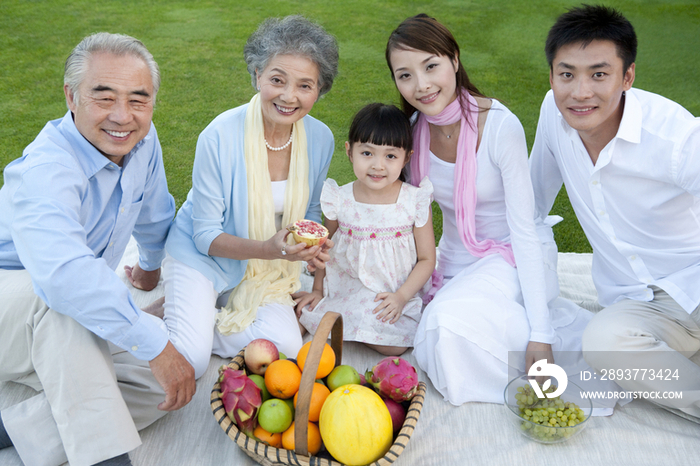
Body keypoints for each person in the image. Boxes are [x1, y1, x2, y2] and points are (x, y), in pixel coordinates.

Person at [0, 33, 195, 466]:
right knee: (64, 304)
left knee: (171, 382)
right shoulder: (46, 169)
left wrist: (149, 268)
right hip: (14, 310)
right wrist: (154, 345)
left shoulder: (142, 140)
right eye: (104, 98)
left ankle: (12, 427)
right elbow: (64, 278)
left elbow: (156, 212)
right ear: (71, 96)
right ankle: (108, 459)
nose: (122, 116)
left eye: (138, 100)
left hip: (57, 317)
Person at [385, 14, 593, 405]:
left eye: (431, 66)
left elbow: (525, 229)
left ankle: (557, 361)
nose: (422, 85)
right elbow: (402, 215)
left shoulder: (499, 127)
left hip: (513, 254)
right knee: (419, 332)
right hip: (452, 258)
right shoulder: (411, 130)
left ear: (455, 60)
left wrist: (540, 334)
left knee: (444, 326)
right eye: (405, 75)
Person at [530, 4, 700, 421]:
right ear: (552, 76)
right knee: (603, 343)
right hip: (635, 305)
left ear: (628, 77)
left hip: (692, 280)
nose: (581, 92)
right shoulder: (553, 115)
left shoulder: (675, 137)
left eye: (599, 74)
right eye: (566, 74)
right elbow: (531, 205)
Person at [159, 15, 338, 378]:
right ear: (257, 75)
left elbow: (314, 211)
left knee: (286, 349)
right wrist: (270, 249)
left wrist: (315, 247)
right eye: (277, 80)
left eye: (305, 85)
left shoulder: (320, 138)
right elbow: (204, 235)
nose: (289, 96)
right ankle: (187, 311)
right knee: (190, 362)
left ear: (319, 90)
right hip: (203, 257)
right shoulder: (218, 136)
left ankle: (192, 315)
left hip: (265, 271)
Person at [296, 103, 436, 356]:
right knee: (304, 317)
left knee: (393, 346)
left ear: (407, 157)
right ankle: (348, 322)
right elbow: (324, 249)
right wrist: (317, 290)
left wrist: (402, 297)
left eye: (390, 156)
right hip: (349, 284)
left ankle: (354, 327)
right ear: (350, 152)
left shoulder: (413, 200)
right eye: (367, 153)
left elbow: (427, 259)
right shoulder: (339, 198)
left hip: (393, 290)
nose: (378, 165)